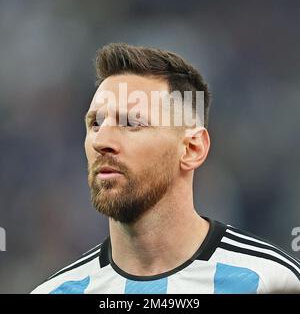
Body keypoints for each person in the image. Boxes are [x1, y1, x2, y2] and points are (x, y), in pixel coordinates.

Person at [31, 43, 300, 294]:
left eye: (131, 123)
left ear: (192, 149)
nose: (102, 141)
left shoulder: (270, 281)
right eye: (95, 124)